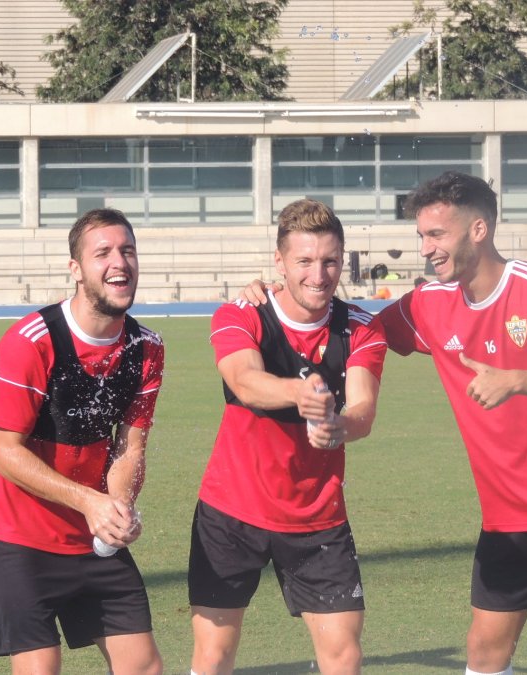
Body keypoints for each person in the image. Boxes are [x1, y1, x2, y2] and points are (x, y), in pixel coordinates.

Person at [241, 173, 527, 675]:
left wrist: (519, 380)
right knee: (484, 655)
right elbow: (360, 327)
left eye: (436, 235)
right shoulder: (429, 303)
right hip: (506, 516)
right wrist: (278, 297)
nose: (425, 248)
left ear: (479, 229)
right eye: (421, 236)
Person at [191, 198, 386, 675]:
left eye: (330, 261)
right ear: (279, 261)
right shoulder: (244, 315)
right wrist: (301, 393)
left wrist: (340, 426)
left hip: (318, 517)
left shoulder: (360, 328)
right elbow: (243, 380)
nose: (318, 275)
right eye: (304, 261)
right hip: (231, 512)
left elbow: (362, 411)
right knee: (214, 656)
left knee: (344, 656)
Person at [0, 208, 165, 675]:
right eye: (102, 253)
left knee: (143, 667)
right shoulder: (30, 341)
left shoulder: (147, 348)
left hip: (90, 533)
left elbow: (129, 447)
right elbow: (5, 451)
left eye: (127, 250)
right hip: (20, 535)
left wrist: (117, 510)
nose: (119, 262)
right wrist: (89, 503)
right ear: (76, 269)